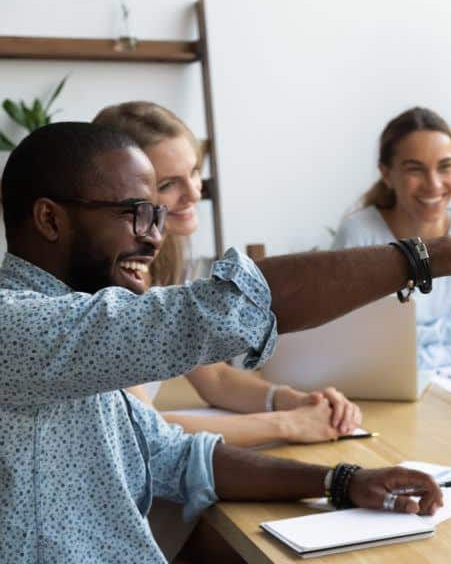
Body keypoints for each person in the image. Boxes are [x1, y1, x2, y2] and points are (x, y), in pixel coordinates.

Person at [0, 121, 451, 563]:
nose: (154, 236)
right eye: (136, 213)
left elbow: (181, 458)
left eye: (156, 215)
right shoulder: (18, 327)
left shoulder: (75, 341)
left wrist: (343, 482)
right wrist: (435, 256)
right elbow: (221, 310)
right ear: (50, 219)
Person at [94, 101, 359, 448]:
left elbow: (215, 377)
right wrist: (288, 425)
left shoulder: (161, 261)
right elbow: (140, 429)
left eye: (193, 171)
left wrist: (292, 400)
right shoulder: (103, 286)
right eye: (169, 183)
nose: (193, 192)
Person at [333, 107, 451, 370]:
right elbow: (348, 344)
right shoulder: (358, 233)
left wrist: (409, 353)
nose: (434, 184)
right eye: (416, 170)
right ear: (387, 174)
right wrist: (449, 331)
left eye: (445, 167)